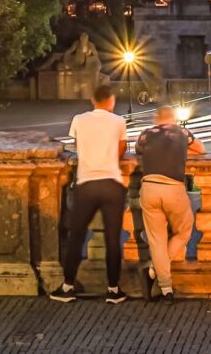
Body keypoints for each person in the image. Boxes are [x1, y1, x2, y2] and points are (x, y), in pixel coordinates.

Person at [51, 84, 129, 303]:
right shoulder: (119, 121)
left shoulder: (79, 120)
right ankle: (113, 290)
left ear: (93, 101)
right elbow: (122, 149)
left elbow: (78, 145)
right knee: (113, 239)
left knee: (77, 236)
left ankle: (67, 287)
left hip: (87, 184)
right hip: (112, 183)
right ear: (111, 101)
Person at [136, 105, 205, 303]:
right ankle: (152, 270)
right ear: (173, 119)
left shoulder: (145, 134)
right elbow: (201, 149)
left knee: (156, 238)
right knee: (184, 230)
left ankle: (165, 287)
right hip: (173, 188)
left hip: (149, 187)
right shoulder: (181, 132)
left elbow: (138, 151)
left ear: (156, 118)